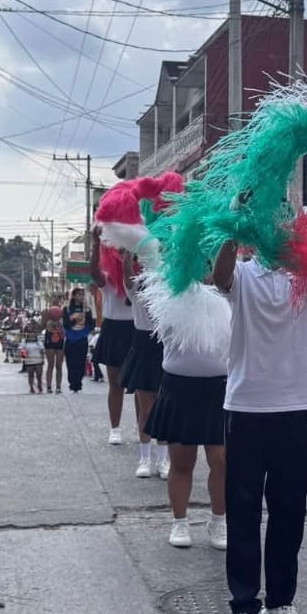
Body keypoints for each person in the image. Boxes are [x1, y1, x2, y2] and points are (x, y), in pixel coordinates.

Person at [212, 242, 307, 614]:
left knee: (290, 512)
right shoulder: (243, 272)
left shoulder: (306, 273)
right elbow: (220, 276)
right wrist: (232, 228)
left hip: (295, 408)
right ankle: (243, 606)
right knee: (243, 510)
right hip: (246, 407)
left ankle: (280, 601)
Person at [144, 294, 229, 550]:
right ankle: (179, 520)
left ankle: (219, 519)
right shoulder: (168, 298)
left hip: (219, 388)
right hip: (179, 387)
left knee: (222, 459)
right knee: (182, 461)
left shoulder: (229, 297)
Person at [119, 265, 168, 478]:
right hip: (143, 345)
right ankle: (145, 458)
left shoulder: (170, 284)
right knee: (146, 408)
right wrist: (129, 250)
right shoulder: (137, 284)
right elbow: (127, 275)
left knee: (164, 408)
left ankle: (163, 460)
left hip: (166, 345)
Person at [89, 229, 135, 444]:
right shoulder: (108, 279)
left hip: (138, 330)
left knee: (140, 385)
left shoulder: (140, 278)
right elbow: (94, 272)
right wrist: (96, 243)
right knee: (115, 384)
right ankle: (115, 428)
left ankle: (140, 426)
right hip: (114, 330)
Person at [62, 287, 95, 393]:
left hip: (82, 339)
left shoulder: (86, 309)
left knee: (81, 363)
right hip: (70, 340)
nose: (81, 297)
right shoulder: (67, 309)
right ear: (74, 296)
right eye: (79, 294)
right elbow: (66, 325)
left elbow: (91, 324)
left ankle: (78, 383)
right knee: (71, 363)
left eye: (82, 295)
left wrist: (87, 331)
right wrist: (76, 320)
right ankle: (72, 384)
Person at [43, 306, 65, 394]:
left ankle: (58, 387)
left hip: (60, 343)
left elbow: (63, 335)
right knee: (50, 365)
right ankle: (49, 387)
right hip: (50, 343)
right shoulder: (47, 320)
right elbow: (41, 326)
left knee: (59, 366)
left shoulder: (62, 321)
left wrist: (60, 328)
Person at [20, 316, 44, 393]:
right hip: (29, 361)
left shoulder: (38, 340)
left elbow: (42, 350)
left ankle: (39, 385)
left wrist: (42, 359)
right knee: (30, 375)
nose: (31, 334)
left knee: (39, 375)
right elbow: (21, 350)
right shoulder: (24, 341)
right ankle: (31, 387)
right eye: (29, 332)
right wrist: (24, 359)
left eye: (32, 332)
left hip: (38, 360)